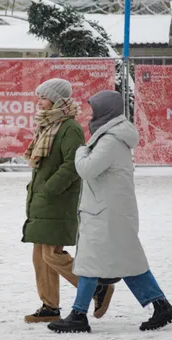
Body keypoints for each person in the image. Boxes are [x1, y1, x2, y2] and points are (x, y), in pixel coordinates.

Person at [48, 90, 172, 333]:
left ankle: (78, 314)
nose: (91, 114)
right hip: (108, 212)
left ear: (105, 112)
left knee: (91, 262)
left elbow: (87, 169)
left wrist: (80, 150)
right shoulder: (110, 137)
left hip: (105, 214)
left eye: (95, 109)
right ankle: (161, 306)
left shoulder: (109, 140)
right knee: (125, 261)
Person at [21, 78, 114, 323]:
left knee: (52, 254)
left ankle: (96, 288)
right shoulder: (47, 125)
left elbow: (73, 165)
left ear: (56, 100)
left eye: (43, 97)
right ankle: (49, 306)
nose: (38, 102)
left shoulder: (69, 127)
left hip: (59, 200)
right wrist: (40, 191)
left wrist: (50, 188)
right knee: (40, 257)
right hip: (43, 200)